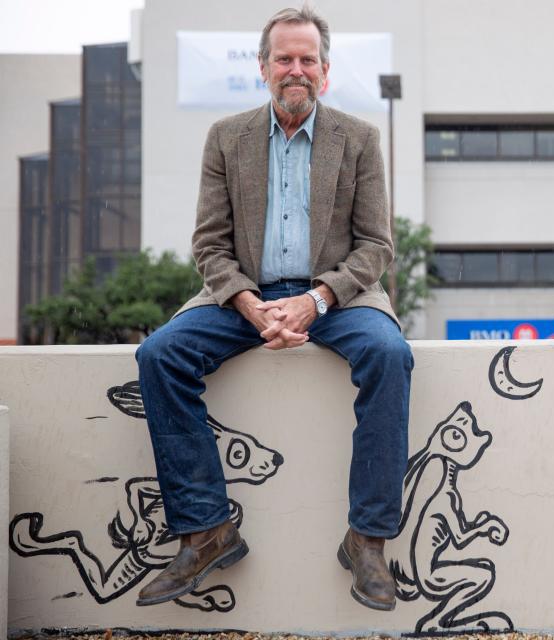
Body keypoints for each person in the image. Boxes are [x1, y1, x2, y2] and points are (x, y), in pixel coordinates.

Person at [133, 5, 412, 612]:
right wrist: (253, 306)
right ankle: (206, 530)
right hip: (243, 295)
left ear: (325, 71)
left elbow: (377, 246)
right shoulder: (226, 138)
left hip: (338, 294)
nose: (296, 70)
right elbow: (209, 244)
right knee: (159, 355)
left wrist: (316, 300)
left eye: (307, 59)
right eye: (283, 58)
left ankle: (368, 539)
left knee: (391, 354)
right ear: (262, 67)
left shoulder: (359, 138)